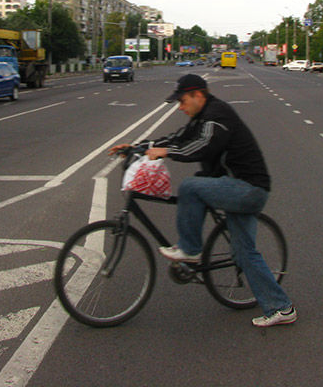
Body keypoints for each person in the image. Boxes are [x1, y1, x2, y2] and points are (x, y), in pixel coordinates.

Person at [110, 74, 296, 327]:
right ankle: (281, 308)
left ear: (199, 95)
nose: (180, 106)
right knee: (244, 253)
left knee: (190, 187)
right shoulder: (201, 118)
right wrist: (137, 148)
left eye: (183, 100)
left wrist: (165, 152)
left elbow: (202, 147)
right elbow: (177, 139)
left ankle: (190, 249)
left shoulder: (217, 115)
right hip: (237, 187)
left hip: (247, 188)